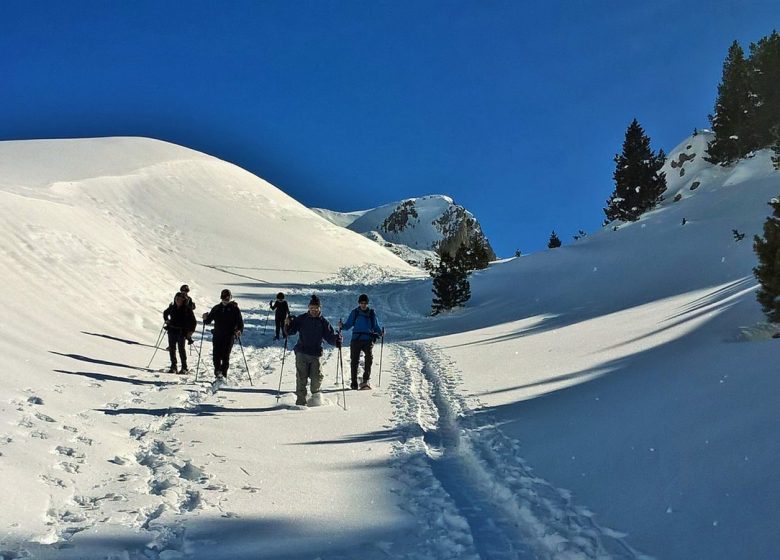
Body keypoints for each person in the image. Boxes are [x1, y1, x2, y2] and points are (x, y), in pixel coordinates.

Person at [284, 294, 341, 406]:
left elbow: (330, 336)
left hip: (315, 354)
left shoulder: (323, 322)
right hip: (302, 352)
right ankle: (300, 403)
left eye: (316, 308)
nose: (313, 310)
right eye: (311, 308)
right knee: (301, 378)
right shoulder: (302, 319)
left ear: (320, 308)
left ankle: (315, 401)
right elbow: (290, 331)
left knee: (316, 378)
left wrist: (337, 340)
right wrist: (287, 324)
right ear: (308, 308)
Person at [339, 293, 383, 390]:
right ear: (359, 303)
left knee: (369, 359)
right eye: (361, 303)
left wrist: (380, 332)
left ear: (367, 303)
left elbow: (375, 326)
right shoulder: (355, 312)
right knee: (354, 361)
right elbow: (348, 324)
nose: (363, 305)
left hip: (367, 339)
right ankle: (354, 382)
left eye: (365, 303)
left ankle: (365, 380)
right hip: (356, 339)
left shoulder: (371, 313)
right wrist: (342, 326)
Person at [202, 288, 244, 382]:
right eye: (225, 298)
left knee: (225, 356)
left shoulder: (234, 309)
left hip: (229, 336)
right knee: (216, 355)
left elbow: (240, 323)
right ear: (221, 298)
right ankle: (217, 372)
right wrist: (205, 318)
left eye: (228, 298)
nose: (226, 300)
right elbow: (208, 321)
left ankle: (223, 375)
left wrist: (239, 331)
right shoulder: (216, 308)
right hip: (217, 335)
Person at [163, 292, 197, 374]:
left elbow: (193, 321)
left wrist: (191, 332)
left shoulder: (187, 309)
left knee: (181, 349)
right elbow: (165, 313)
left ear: (184, 300)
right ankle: (173, 366)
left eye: (180, 299)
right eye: (177, 299)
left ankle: (184, 367)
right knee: (172, 349)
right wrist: (166, 320)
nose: (178, 300)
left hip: (181, 332)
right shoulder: (172, 307)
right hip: (171, 330)